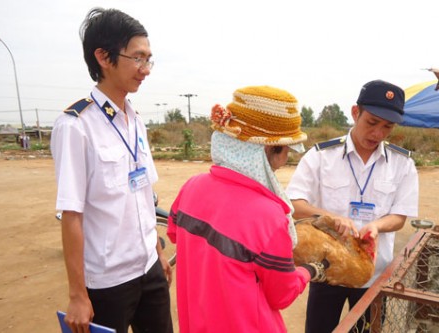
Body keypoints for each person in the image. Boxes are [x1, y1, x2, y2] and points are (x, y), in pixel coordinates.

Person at [167, 86, 328, 333]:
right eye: (287, 149)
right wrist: (310, 270)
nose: (286, 160)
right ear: (267, 150)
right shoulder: (268, 215)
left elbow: (174, 235)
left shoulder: (191, 187)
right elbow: (281, 296)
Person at [51, 8, 173, 333]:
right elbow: (72, 214)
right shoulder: (76, 126)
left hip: (149, 268)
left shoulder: (136, 120)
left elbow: (145, 193)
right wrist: (78, 295)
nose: (145, 69)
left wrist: (158, 253)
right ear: (103, 57)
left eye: (149, 59)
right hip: (107, 282)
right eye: (137, 58)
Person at [286, 80, 419, 333]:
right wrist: (330, 217)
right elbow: (295, 203)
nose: (378, 133)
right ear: (355, 113)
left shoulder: (402, 164)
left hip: (374, 273)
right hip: (326, 269)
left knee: (367, 330)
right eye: (372, 123)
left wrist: (377, 226)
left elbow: (399, 216)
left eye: (387, 126)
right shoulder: (321, 156)